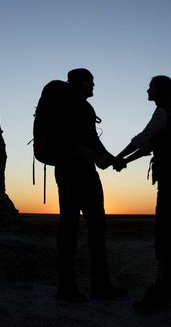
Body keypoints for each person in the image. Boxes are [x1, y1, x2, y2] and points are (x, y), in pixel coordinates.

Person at [116, 75, 171, 311]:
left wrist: (118, 157)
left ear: (160, 89)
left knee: (165, 227)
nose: (147, 90)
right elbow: (150, 146)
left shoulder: (162, 111)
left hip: (169, 177)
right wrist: (125, 161)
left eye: (151, 86)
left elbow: (143, 138)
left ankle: (161, 288)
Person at [54, 68, 127, 302]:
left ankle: (84, 285)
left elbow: (93, 140)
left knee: (77, 226)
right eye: (90, 82)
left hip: (73, 171)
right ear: (81, 83)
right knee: (82, 227)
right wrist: (101, 159)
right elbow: (75, 142)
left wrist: (110, 158)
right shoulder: (75, 107)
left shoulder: (83, 108)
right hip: (77, 172)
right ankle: (81, 286)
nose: (93, 86)